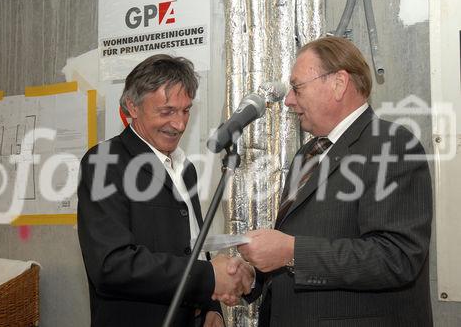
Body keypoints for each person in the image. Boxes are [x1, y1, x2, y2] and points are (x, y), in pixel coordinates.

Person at [237, 36, 433, 326]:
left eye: (297, 87)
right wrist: (253, 276)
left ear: (339, 84)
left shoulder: (392, 146)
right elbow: (302, 245)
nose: (289, 100)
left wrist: (290, 251)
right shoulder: (308, 154)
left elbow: (397, 257)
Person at [77, 54, 253, 327]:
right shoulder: (105, 163)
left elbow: (192, 246)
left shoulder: (186, 169)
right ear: (132, 107)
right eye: (167, 111)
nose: (180, 124)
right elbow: (112, 265)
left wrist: (210, 307)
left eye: (186, 110)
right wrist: (208, 277)